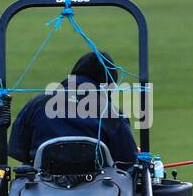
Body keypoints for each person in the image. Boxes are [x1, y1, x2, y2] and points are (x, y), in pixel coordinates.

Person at [8, 51, 139, 166]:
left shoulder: (37, 104)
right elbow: (127, 162)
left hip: (44, 188)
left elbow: (18, 151)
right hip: (98, 191)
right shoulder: (112, 114)